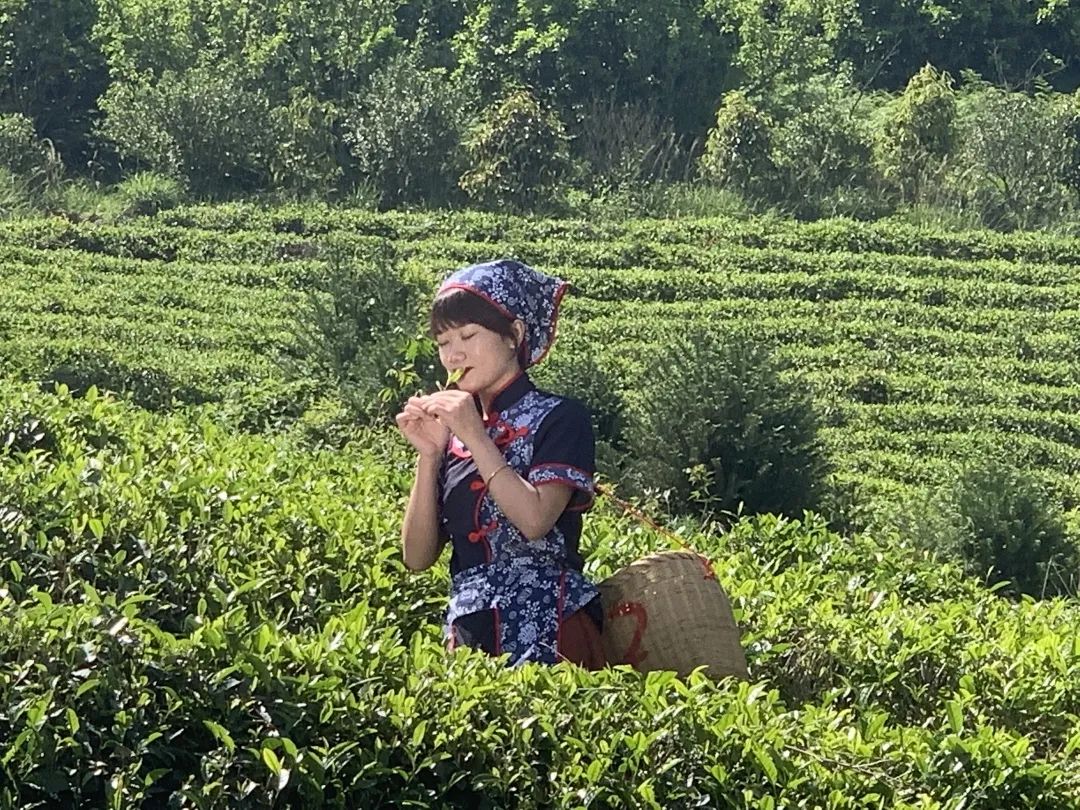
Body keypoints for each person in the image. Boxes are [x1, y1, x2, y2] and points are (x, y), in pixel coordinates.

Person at [395, 259, 606, 669]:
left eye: (468, 336)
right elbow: (417, 558)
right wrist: (430, 454)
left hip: (551, 621)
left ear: (514, 335)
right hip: (471, 629)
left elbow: (534, 520)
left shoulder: (560, 417)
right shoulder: (452, 433)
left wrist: (475, 435)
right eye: (443, 342)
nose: (453, 355)